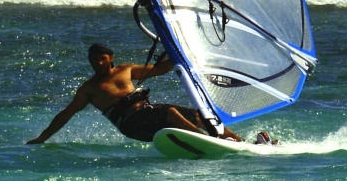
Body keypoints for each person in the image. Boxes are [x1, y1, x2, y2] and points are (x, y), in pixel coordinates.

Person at [26, 43, 242, 144]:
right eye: (94, 60)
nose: (98, 63)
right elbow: (66, 114)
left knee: (198, 115)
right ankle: (208, 142)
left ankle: (238, 142)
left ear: (111, 58)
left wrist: (180, 53)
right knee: (171, 112)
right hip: (132, 125)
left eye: (102, 58)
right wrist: (42, 138)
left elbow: (159, 69)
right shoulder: (89, 89)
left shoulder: (126, 70)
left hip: (149, 113)